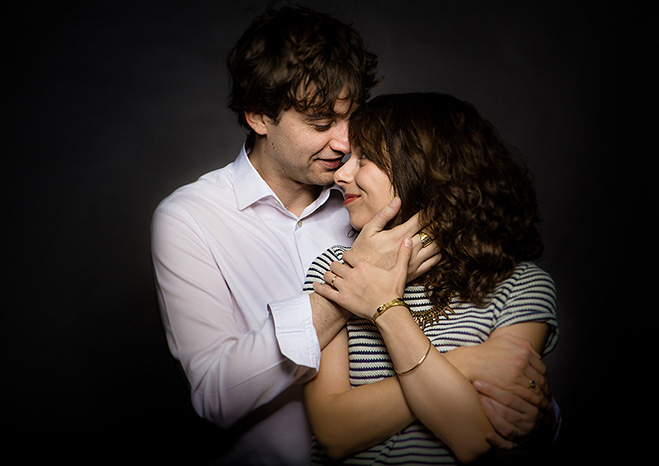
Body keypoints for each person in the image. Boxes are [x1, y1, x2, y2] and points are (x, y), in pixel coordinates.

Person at [151, 6, 557, 465]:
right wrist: (354, 287)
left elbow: (495, 351)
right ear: (259, 117)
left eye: (352, 119)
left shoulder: (375, 200)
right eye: (321, 124)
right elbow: (216, 396)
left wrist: (535, 412)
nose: (344, 144)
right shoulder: (191, 218)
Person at [304, 93, 559, 464]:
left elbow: (475, 436)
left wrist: (384, 308)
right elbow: (334, 431)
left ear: (423, 170)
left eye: (365, 158)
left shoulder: (522, 286)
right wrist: (468, 363)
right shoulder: (337, 269)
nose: (341, 174)